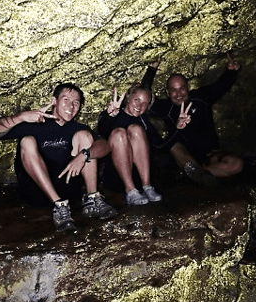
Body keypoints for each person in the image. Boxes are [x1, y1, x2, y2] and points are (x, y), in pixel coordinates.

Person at [0, 83, 117, 231]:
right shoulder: (35, 124)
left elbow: (105, 146)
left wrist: (84, 155)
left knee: (86, 138)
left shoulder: (79, 129)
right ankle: (59, 206)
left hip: (68, 189)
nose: (71, 105)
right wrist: (22, 117)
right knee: (27, 141)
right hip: (36, 191)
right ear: (54, 101)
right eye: (66, 100)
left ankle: (92, 199)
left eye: (76, 102)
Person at [147, 54, 244, 186]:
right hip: (186, 158)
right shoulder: (166, 108)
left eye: (182, 88)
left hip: (210, 156)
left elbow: (221, 86)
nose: (179, 94)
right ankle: (196, 174)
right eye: (173, 90)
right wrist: (151, 69)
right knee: (173, 146)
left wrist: (231, 71)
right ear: (168, 93)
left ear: (188, 87)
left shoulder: (201, 98)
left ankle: (198, 175)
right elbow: (143, 96)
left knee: (237, 164)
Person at [97, 83, 190, 204]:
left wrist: (177, 128)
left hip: (139, 179)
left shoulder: (144, 122)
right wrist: (111, 116)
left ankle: (147, 187)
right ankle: (130, 190)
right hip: (116, 177)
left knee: (136, 129)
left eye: (144, 103)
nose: (139, 105)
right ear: (128, 97)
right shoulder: (110, 114)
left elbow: (160, 146)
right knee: (119, 133)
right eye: (136, 99)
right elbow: (102, 132)